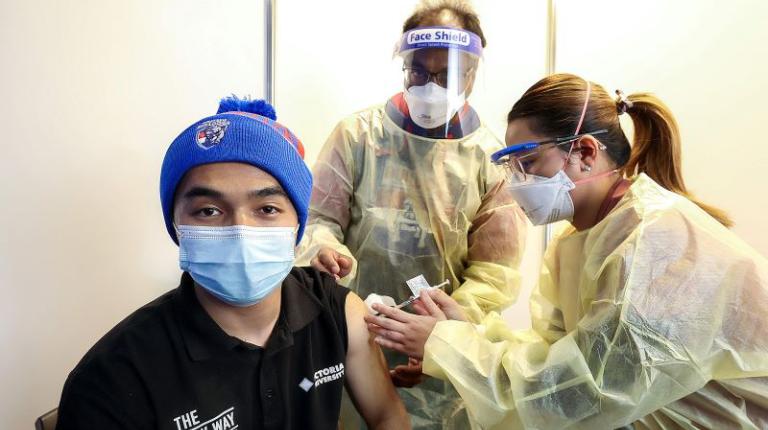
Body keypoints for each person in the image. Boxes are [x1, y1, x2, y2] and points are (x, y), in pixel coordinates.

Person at [366, 73, 768, 429]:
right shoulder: (578, 241)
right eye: (510, 168)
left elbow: (585, 396)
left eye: (528, 162)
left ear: (586, 153)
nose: (517, 182)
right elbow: (553, 353)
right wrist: (468, 333)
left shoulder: (656, 241)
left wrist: (448, 347)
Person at [56, 97, 410, 429]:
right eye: (209, 211)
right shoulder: (113, 378)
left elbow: (387, 416)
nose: (241, 230)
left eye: (267, 209)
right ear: (177, 226)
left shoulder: (337, 312)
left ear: (298, 226)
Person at [295, 1, 528, 428]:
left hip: (438, 351)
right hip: (353, 331)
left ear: (473, 74)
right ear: (404, 65)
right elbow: (317, 219)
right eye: (419, 72)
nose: (430, 87)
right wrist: (324, 248)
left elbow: (493, 276)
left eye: (447, 76)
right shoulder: (358, 136)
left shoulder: (490, 160)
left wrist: (440, 342)